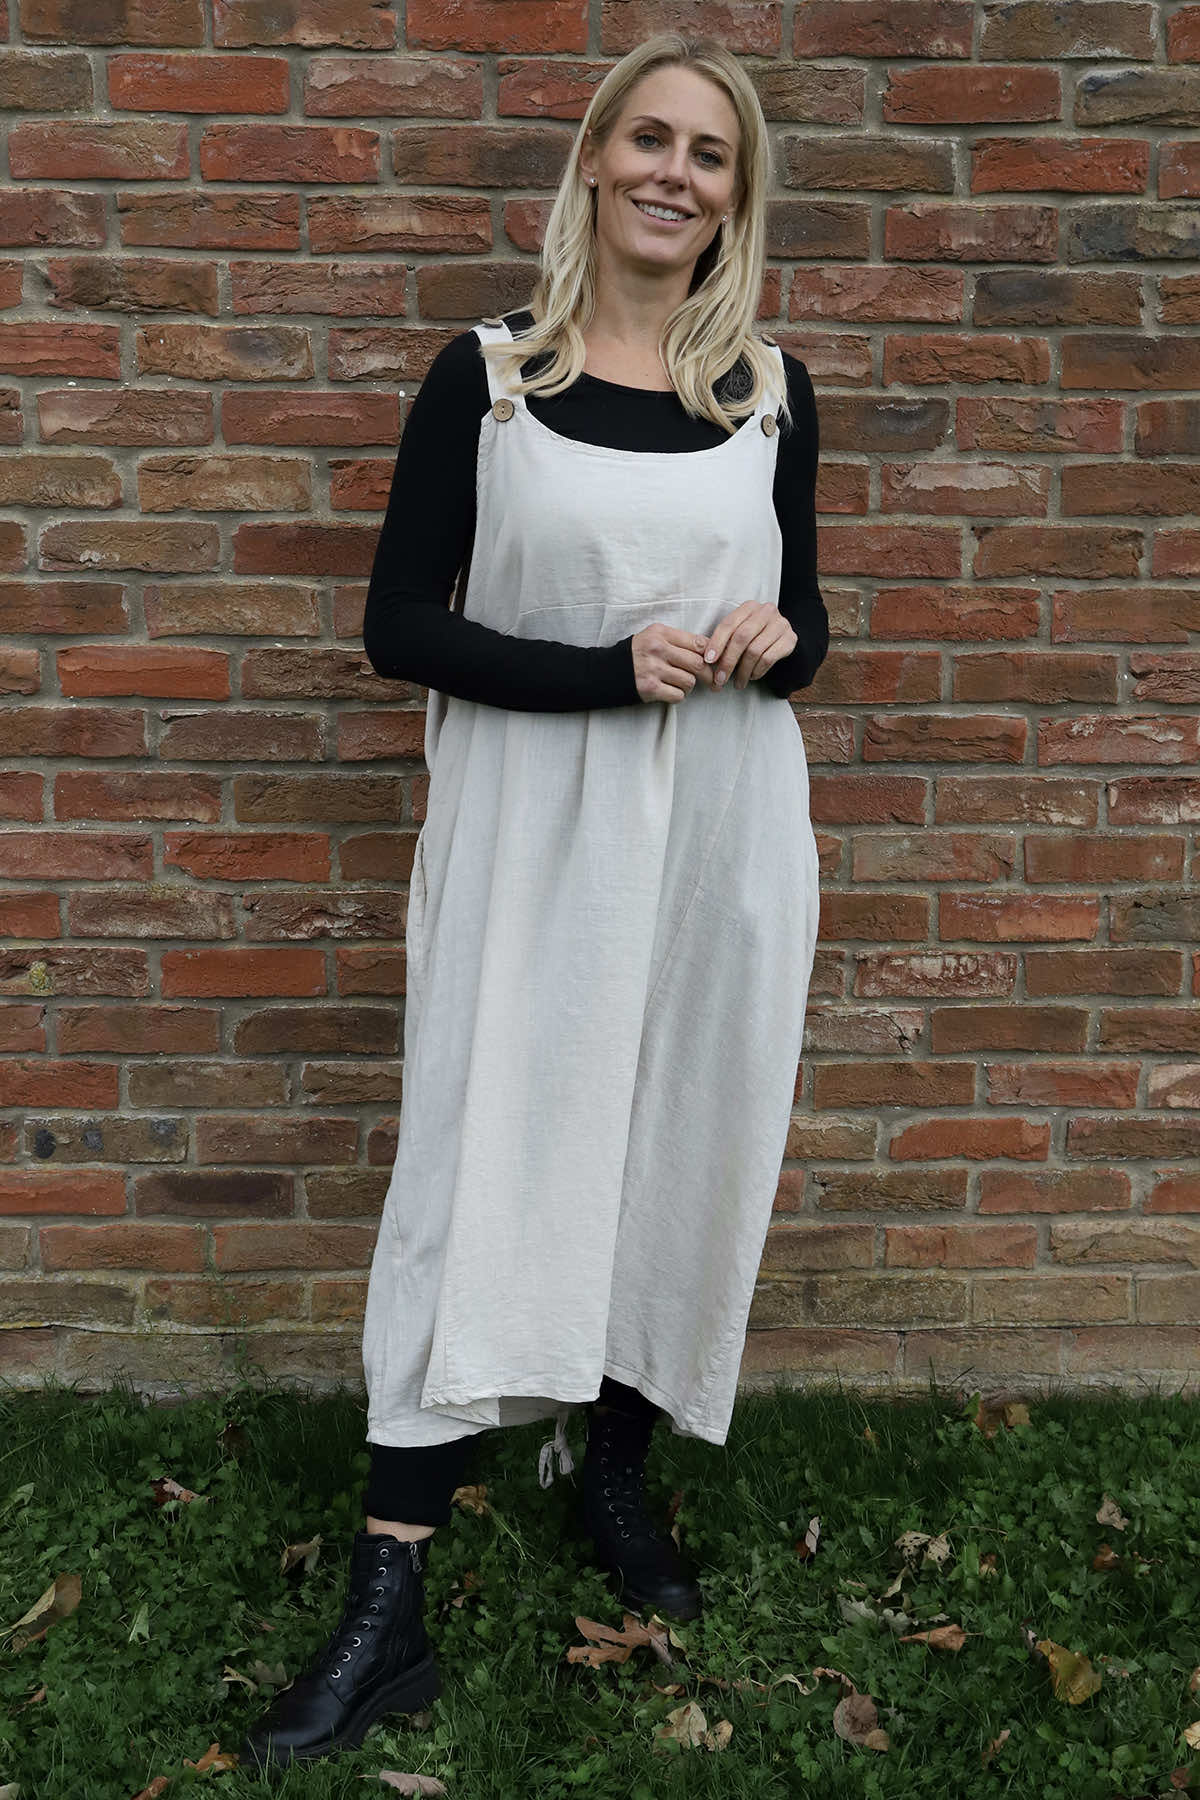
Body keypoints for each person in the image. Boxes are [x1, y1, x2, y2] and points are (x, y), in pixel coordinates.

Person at [239, 29, 827, 1774]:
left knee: (679, 1129)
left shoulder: (770, 392)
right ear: (592, 158)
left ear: (736, 195)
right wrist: (599, 670)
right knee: (471, 1159)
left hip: (720, 830)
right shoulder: (490, 381)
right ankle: (389, 1595)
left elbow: (807, 626)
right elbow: (397, 625)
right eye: (648, 139)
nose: (672, 173)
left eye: (707, 154)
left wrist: (781, 636)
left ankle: (614, 1470)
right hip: (532, 832)